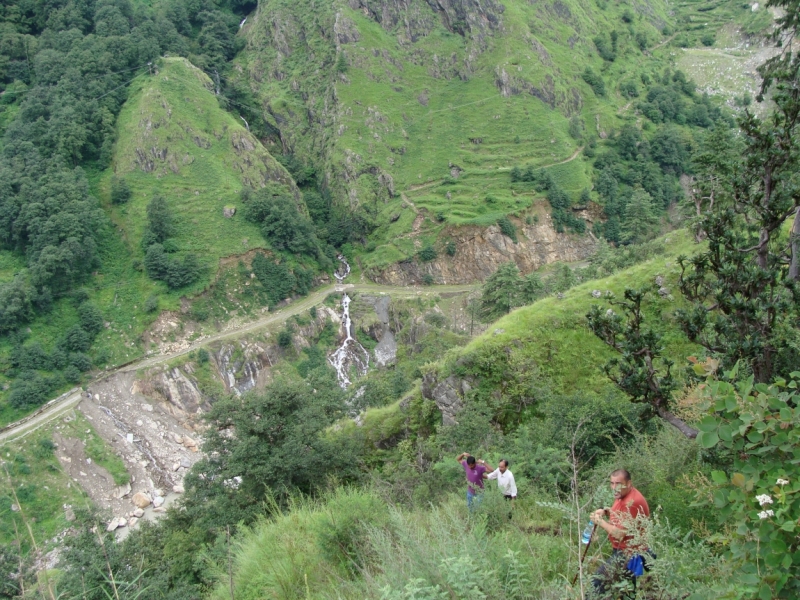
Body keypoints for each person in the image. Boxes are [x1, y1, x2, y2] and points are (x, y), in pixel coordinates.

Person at [590, 469, 651, 597]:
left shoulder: (633, 502)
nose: (614, 487)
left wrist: (599, 522)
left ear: (629, 483)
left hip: (629, 553)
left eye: (618, 483)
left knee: (597, 582)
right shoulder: (622, 495)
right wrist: (605, 511)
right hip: (621, 550)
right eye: (611, 483)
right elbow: (620, 514)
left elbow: (619, 533)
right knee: (623, 591)